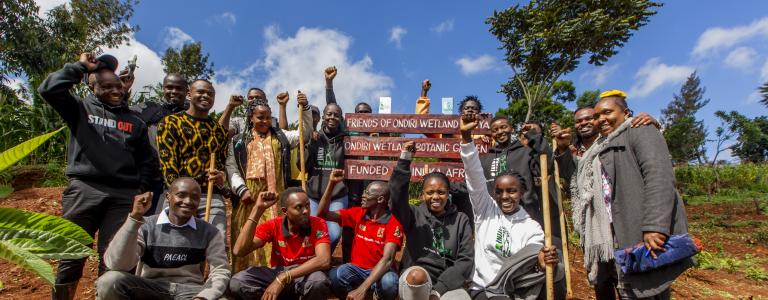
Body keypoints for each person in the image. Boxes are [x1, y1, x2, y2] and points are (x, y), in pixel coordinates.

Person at [38, 52, 156, 299]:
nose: (116, 90)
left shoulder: (135, 122)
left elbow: (147, 161)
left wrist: (142, 188)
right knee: (71, 256)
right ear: (92, 88)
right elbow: (49, 89)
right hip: (84, 189)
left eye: (118, 86)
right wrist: (80, 66)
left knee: (114, 259)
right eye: (106, 86)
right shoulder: (79, 109)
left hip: (123, 196)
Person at [572, 94, 692, 299]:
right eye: (597, 115)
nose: (601, 119)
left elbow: (659, 178)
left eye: (607, 112)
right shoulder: (599, 147)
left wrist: (655, 226)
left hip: (638, 231)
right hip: (612, 234)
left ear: (626, 113)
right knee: (626, 287)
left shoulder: (641, 130)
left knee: (646, 289)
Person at [459, 113, 562, 299]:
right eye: (499, 191)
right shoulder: (485, 211)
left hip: (514, 289)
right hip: (484, 289)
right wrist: (466, 139)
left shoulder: (532, 228)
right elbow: (474, 177)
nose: (505, 196)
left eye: (512, 191)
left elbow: (546, 165)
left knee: (557, 270)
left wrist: (541, 261)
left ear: (521, 192)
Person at [95, 178, 230, 300]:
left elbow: (220, 269)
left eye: (194, 197)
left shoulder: (209, 231)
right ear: (168, 197)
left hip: (190, 292)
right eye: (181, 195)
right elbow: (117, 264)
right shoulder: (146, 226)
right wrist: (134, 219)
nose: (188, 201)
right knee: (109, 281)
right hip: (149, 288)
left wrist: (204, 297)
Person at [226, 94, 312, 272]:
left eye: (267, 117)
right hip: (247, 201)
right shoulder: (238, 142)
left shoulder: (281, 138)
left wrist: (306, 109)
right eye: (260, 117)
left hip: (275, 200)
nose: (265, 121)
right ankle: (245, 278)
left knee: (274, 238)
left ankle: (274, 276)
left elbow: (305, 134)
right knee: (246, 237)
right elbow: (231, 167)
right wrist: (241, 190)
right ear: (251, 118)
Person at [390, 141, 474, 300]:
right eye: (430, 192)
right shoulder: (413, 214)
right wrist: (404, 160)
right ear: (422, 195)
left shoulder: (461, 219)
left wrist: (438, 291)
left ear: (448, 193)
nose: (435, 197)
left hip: (449, 282)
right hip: (416, 277)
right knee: (417, 277)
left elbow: (466, 259)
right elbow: (396, 197)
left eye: (441, 192)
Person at [156, 79, 231, 236]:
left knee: (217, 243)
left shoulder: (219, 131)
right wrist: (178, 194)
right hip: (180, 195)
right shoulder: (171, 123)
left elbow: (222, 163)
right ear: (189, 94)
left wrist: (220, 176)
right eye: (201, 92)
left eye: (210, 94)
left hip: (210, 195)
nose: (206, 96)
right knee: (175, 244)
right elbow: (168, 165)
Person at [229, 188, 332, 299]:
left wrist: (284, 277)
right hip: (278, 272)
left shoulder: (318, 223)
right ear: (285, 211)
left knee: (318, 281)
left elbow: (323, 260)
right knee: (237, 282)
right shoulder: (273, 225)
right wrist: (257, 209)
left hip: (305, 274)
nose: (306, 211)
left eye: (307, 205)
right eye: (299, 207)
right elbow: (239, 250)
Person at [318, 170, 403, 300]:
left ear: (380, 199)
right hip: (356, 269)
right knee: (335, 276)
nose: (363, 195)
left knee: (389, 283)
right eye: (364, 191)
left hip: (381, 271)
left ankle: (376, 295)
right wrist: (331, 184)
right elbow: (322, 214)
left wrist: (362, 289)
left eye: (367, 193)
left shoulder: (393, 223)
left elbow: (387, 260)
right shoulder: (359, 213)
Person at [481, 116, 566, 240]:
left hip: (525, 216)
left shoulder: (527, 153)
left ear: (512, 129)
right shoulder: (486, 159)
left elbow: (547, 165)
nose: (500, 131)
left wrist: (534, 136)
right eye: (495, 130)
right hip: (496, 218)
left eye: (503, 127)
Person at [303, 67, 349, 252]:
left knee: (334, 233)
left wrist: (329, 85)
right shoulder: (315, 137)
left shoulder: (346, 138)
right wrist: (310, 146)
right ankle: (318, 264)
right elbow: (302, 165)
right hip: (314, 194)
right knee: (314, 232)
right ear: (323, 117)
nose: (332, 117)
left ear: (341, 119)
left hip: (337, 195)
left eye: (336, 115)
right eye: (329, 114)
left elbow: (332, 102)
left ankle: (322, 259)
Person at [132, 73, 189, 215]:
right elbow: (122, 115)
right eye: (169, 87)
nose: (173, 91)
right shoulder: (149, 108)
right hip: (148, 178)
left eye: (179, 88)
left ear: (187, 91)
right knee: (141, 222)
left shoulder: (192, 115)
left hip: (178, 181)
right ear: (163, 89)